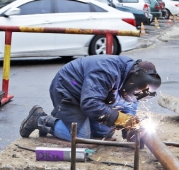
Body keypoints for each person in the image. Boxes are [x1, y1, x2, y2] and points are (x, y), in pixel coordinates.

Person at [19, 56, 161, 141]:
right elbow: (90, 104)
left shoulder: (131, 76)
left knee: (104, 132)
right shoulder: (106, 72)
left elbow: (129, 107)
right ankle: (39, 119)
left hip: (91, 94)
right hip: (68, 89)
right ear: (133, 79)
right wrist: (121, 119)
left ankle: (65, 121)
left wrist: (131, 128)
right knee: (81, 136)